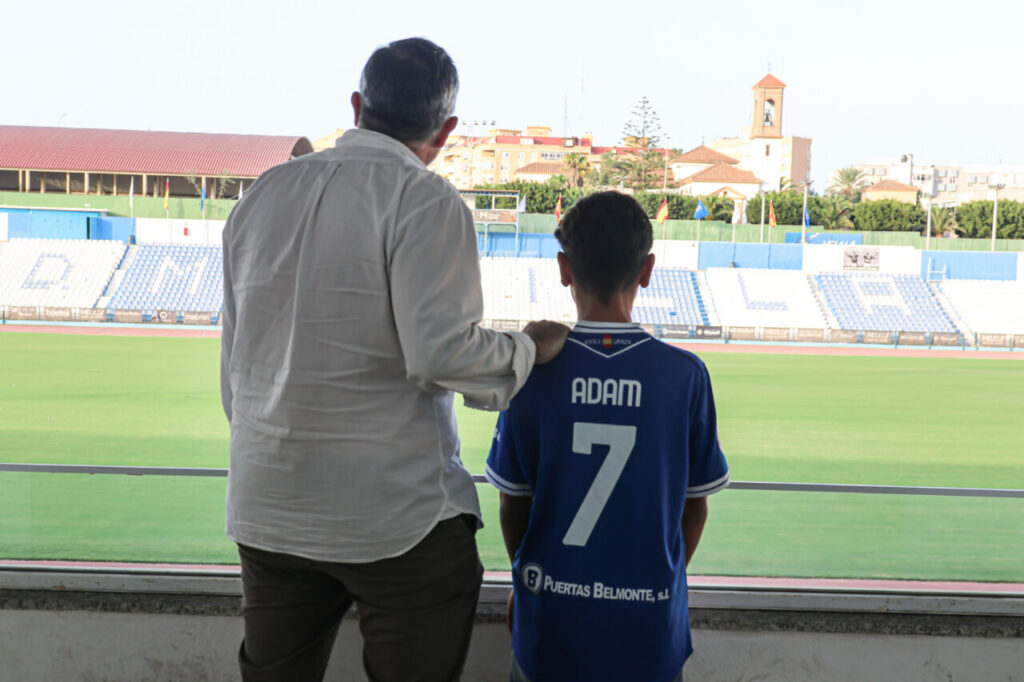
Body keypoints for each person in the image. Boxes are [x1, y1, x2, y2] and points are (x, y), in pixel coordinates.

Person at [220, 37, 569, 682]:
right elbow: (440, 352)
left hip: (269, 501)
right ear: (448, 129)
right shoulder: (427, 199)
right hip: (394, 519)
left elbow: (235, 366)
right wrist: (528, 346)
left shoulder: (262, 194)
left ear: (357, 105)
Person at [486, 191, 730, 682]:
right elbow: (695, 506)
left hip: (551, 618)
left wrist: (527, 580)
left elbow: (515, 504)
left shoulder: (532, 372)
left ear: (563, 268)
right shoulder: (685, 375)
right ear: (647, 270)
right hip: (648, 625)